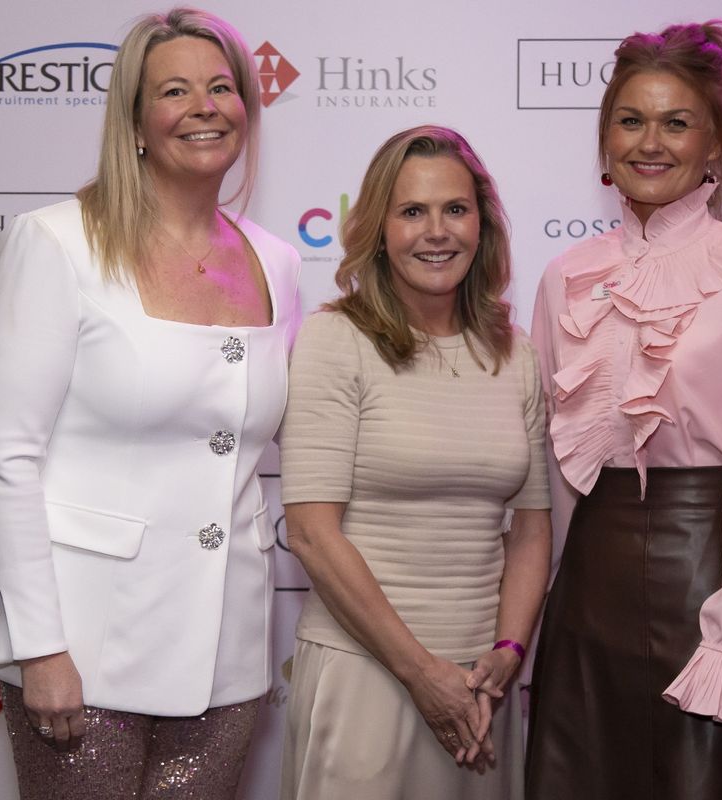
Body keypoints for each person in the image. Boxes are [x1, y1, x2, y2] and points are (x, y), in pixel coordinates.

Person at [0, 8, 300, 798]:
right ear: (136, 122)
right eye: (174, 91)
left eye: (221, 87)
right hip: (86, 649)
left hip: (228, 654)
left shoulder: (279, 262)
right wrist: (41, 647)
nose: (204, 107)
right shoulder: (58, 241)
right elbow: (7, 451)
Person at [525, 21, 722, 800]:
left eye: (677, 122)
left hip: (708, 587)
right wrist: (545, 602)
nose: (650, 142)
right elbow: (555, 467)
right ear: (606, 139)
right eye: (631, 120)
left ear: (714, 143)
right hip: (588, 594)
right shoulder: (566, 277)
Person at [278, 125, 552, 800]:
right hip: (366, 673)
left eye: (455, 209)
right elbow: (311, 533)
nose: (437, 232)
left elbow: (531, 530)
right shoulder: (335, 340)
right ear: (379, 229)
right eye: (411, 211)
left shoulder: (515, 354)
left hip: (481, 687)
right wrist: (421, 673)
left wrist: (509, 650)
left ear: (483, 225)